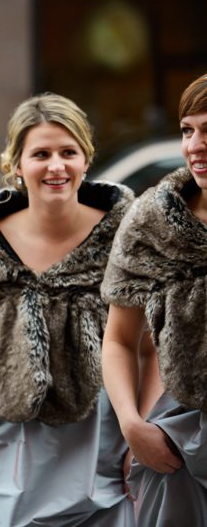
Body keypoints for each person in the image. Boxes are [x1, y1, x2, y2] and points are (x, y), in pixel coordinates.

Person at [0, 93, 136, 526]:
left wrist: (138, 432)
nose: (56, 166)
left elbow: (144, 343)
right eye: (41, 154)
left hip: (97, 444)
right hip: (2, 444)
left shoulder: (124, 234)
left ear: (86, 160)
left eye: (68, 152)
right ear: (16, 164)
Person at [101, 73, 207, 525]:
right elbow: (120, 340)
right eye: (188, 130)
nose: (195, 145)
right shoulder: (153, 219)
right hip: (178, 440)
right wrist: (132, 425)